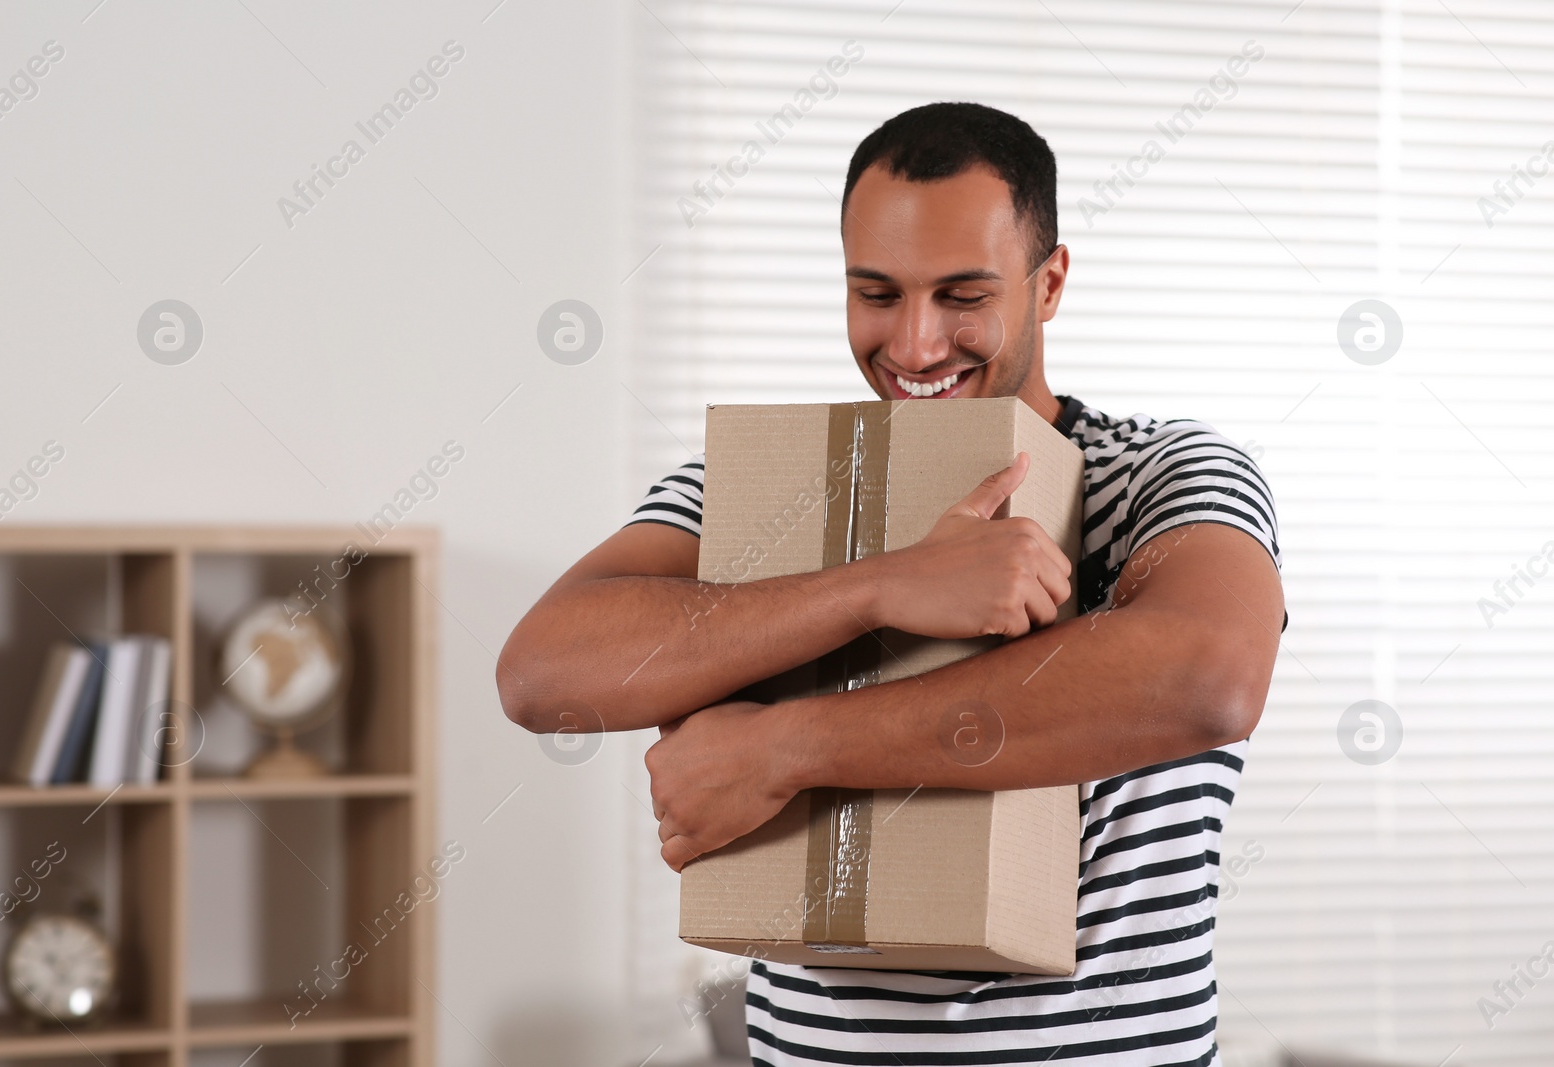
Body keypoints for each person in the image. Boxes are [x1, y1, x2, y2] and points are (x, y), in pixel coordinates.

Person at [499, 101, 1286, 1066]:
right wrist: (881, 587)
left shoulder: (1163, 476)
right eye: (876, 294)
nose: (914, 346)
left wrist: (781, 749)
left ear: (1050, 284)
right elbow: (543, 674)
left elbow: (1207, 679)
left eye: (964, 296)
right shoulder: (764, 488)